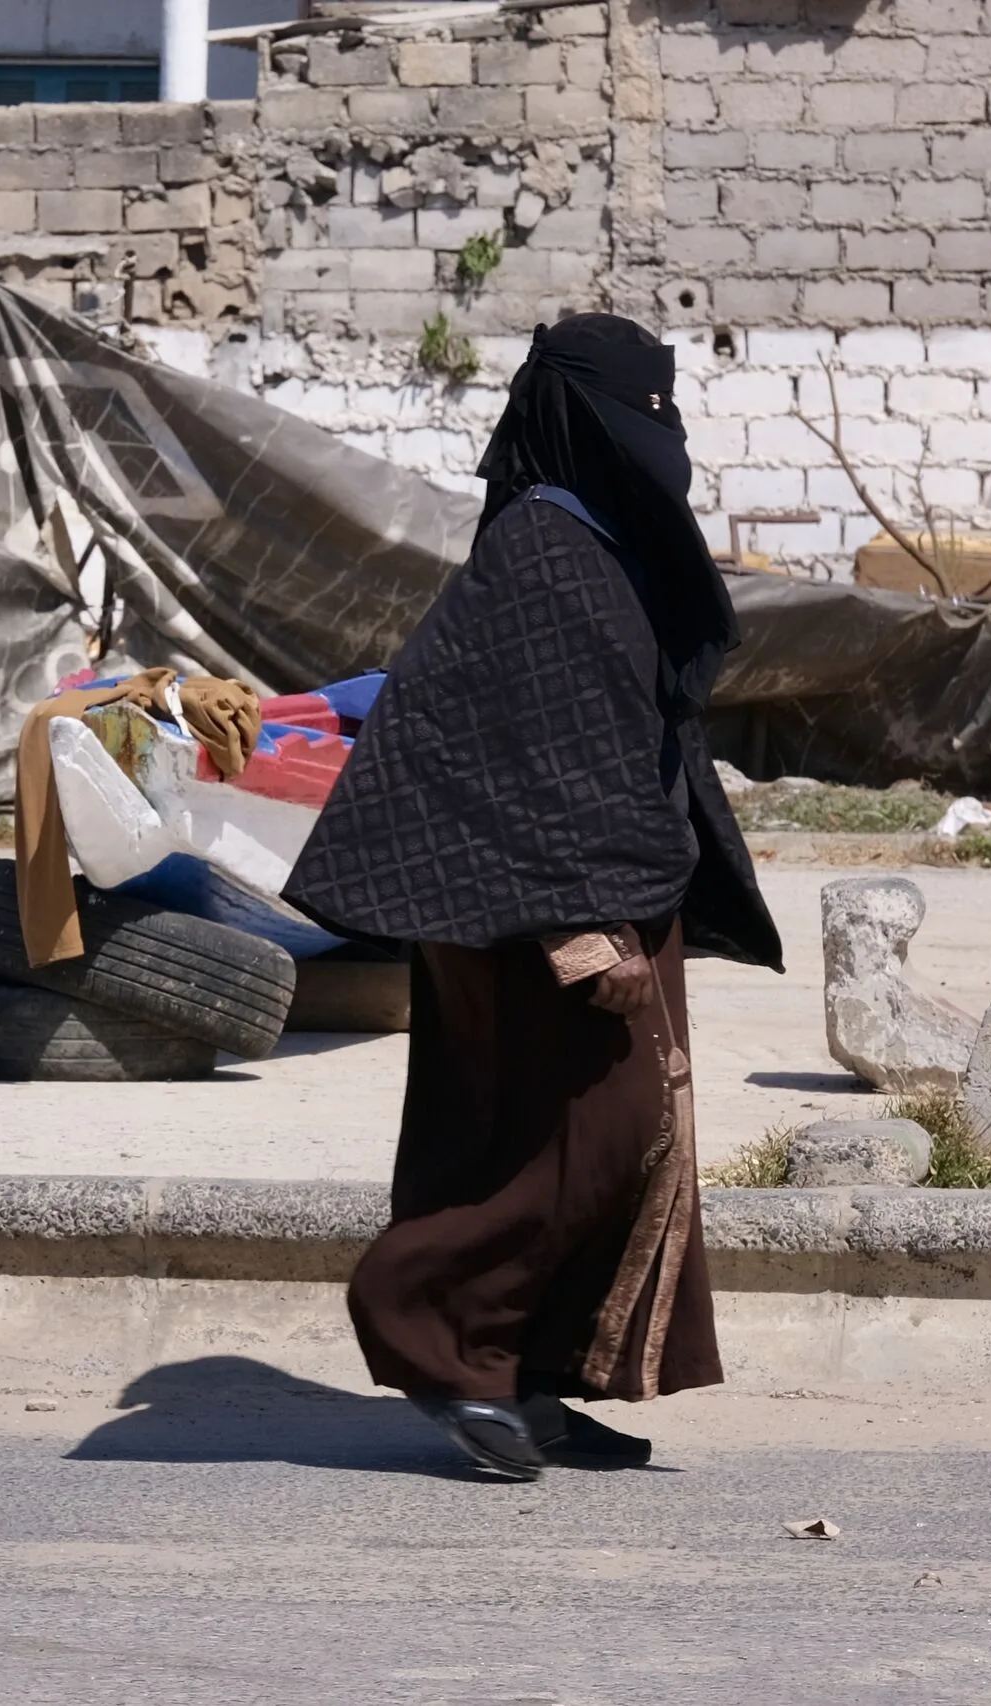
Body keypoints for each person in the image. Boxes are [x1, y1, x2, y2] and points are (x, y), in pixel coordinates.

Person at [283, 312, 782, 1481]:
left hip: (579, 886)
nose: (662, 431)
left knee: (533, 1134)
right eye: (641, 407)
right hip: (544, 907)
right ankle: (434, 1325)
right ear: (581, 417)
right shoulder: (546, 554)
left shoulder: (578, 539)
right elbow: (528, 760)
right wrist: (578, 923)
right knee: (597, 1138)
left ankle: (527, 1377)